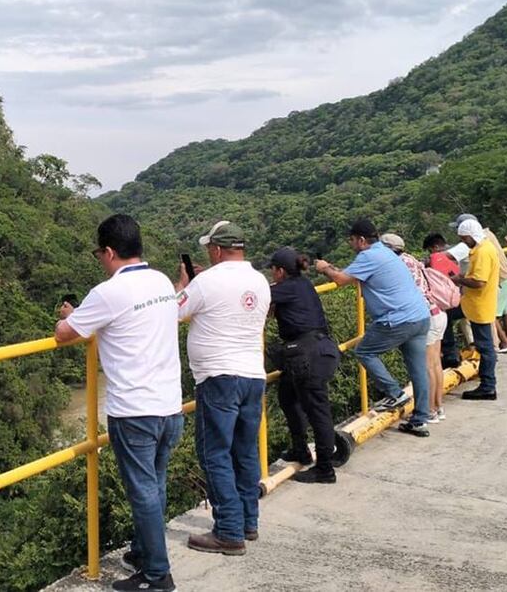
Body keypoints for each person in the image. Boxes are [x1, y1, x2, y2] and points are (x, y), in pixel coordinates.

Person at [55, 214, 183, 592]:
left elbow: (64, 334)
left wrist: (72, 316)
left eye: (100, 254)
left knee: (142, 490)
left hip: (134, 410)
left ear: (109, 252)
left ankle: (158, 575)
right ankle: (145, 551)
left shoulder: (108, 292)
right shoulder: (161, 281)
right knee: (155, 484)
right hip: (170, 405)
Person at [176, 221, 271, 555]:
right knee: (245, 451)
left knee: (214, 452)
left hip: (218, 377)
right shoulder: (260, 280)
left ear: (216, 249)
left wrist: (185, 284)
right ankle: (248, 521)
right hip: (252, 376)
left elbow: (175, 311)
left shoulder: (206, 282)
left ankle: (229, 530)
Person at [315, 219, 432, 438]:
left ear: (360, 240)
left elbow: (340, 280)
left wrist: (324, 268)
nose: (350, 244)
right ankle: (420, 419)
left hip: (398, 320)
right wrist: (335, 270)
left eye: (351, 240)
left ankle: (394, 393)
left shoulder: (368, 256)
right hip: (419, 316)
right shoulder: (385, 252)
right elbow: (351, 275)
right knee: (418, 370)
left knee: (364, 351)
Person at [266, 247, 340, 484]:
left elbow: (256, 298)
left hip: (308, 355)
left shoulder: (285, 288)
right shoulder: (304, 284)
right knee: (287, 395)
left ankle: (325, 469)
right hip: (319, 348)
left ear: (279, 271)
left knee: (317, 410)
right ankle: (301, 449)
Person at [382, 234, 447, 423]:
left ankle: (429, 411)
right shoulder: (410, 258)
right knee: (435, 364)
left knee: (426, 367)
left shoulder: (396, 265)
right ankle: (437, 407)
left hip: (424, 314)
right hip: (437, 312)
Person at [449, 214, 507, 352]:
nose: (461, 240)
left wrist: (459, 279)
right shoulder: (487, 237)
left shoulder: (480, 248)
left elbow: (478, 282)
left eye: (462, 236)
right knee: (506, 311)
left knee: (491, 317)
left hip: (497, 283)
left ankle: (499, 344)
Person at [450, 218, 500, 400]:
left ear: (471, 236)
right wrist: (464, 276)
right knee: (447, 316)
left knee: (485, 347)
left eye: (464, 238)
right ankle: (450, 355)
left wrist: (459, 280)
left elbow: (479, 282)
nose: (463, 242)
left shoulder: (483, 252)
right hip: (473, 303)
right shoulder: (482, 248)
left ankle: (488, 386)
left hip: (478, 305)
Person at [423, 233, 463, 369]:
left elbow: (438, 282)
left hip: (462, 299)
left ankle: (450, 354)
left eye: (429, 250)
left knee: (443, 316)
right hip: (468, 296)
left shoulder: (437, 257)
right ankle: (451, 353)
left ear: (434, 247)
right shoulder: (457, 251)